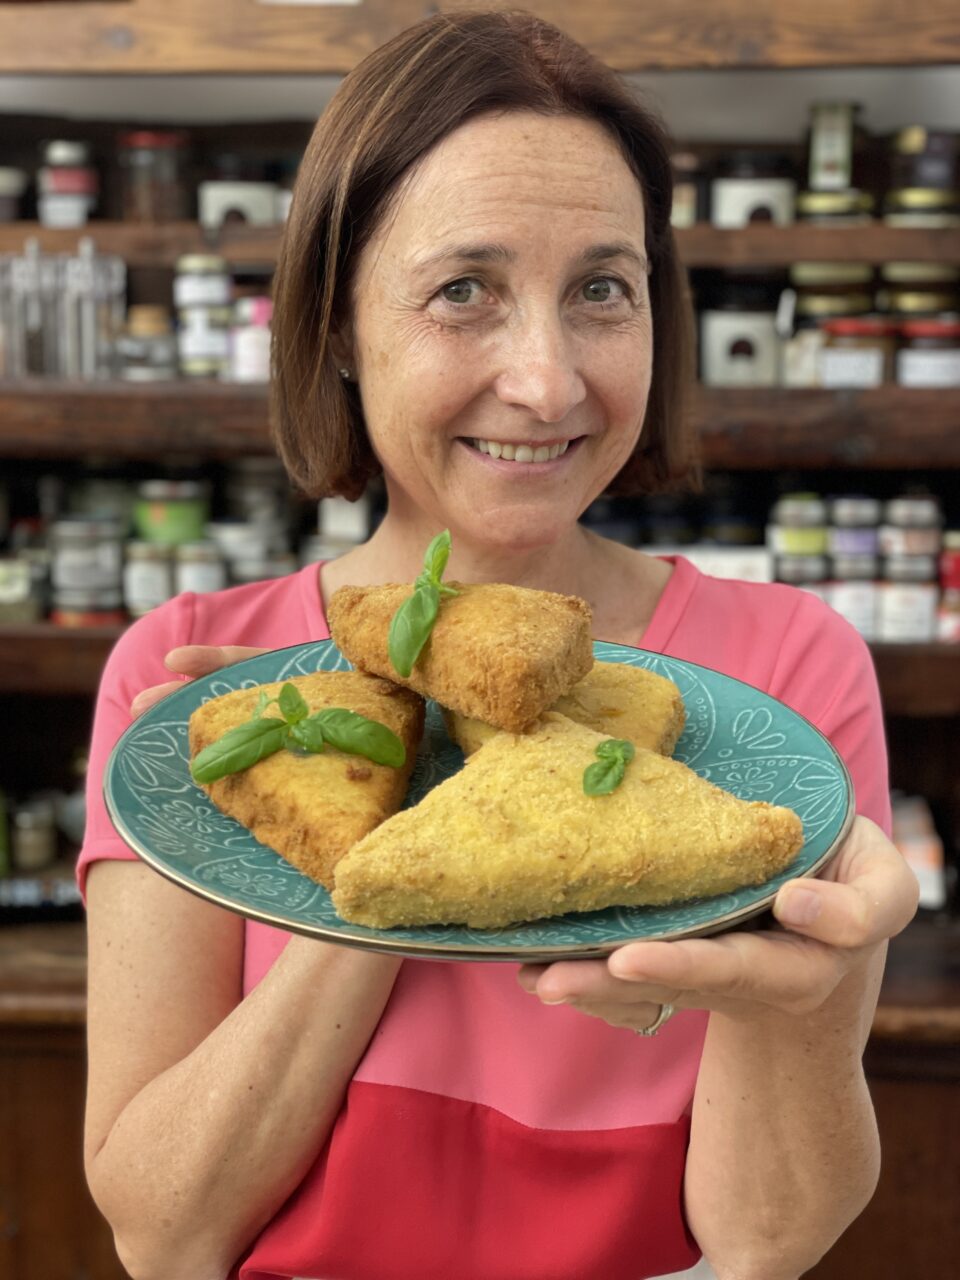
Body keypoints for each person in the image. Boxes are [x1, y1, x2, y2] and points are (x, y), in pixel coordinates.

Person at [79, 12, 919, 1280]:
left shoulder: (783, 670)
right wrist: (358, 840)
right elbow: (162, 1230)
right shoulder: (192, 669)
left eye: (601, 289)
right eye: (462, 290)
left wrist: (796, 1003)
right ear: (340, 329)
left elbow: (768, 1239)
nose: (547, 379)